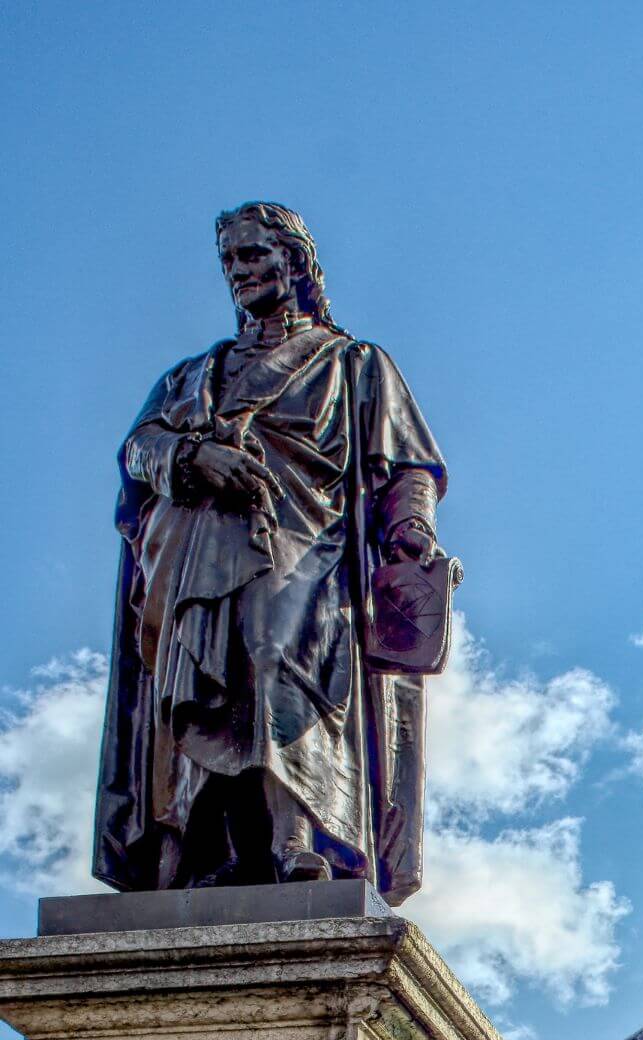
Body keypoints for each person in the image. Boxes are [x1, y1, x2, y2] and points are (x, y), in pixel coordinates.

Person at [93, 202, 447, 899]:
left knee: (275, 658)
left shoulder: (353, 363)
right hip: (196, 549)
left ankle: (301, 833)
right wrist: (194, 455)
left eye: (253, 255)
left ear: (294, 260)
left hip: (305, 548)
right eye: (229, 260)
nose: (240, 271)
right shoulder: (191, 376)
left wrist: (412, 537)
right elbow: (140, 448)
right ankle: (206, 847)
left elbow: (407, 468)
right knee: (194, 688)